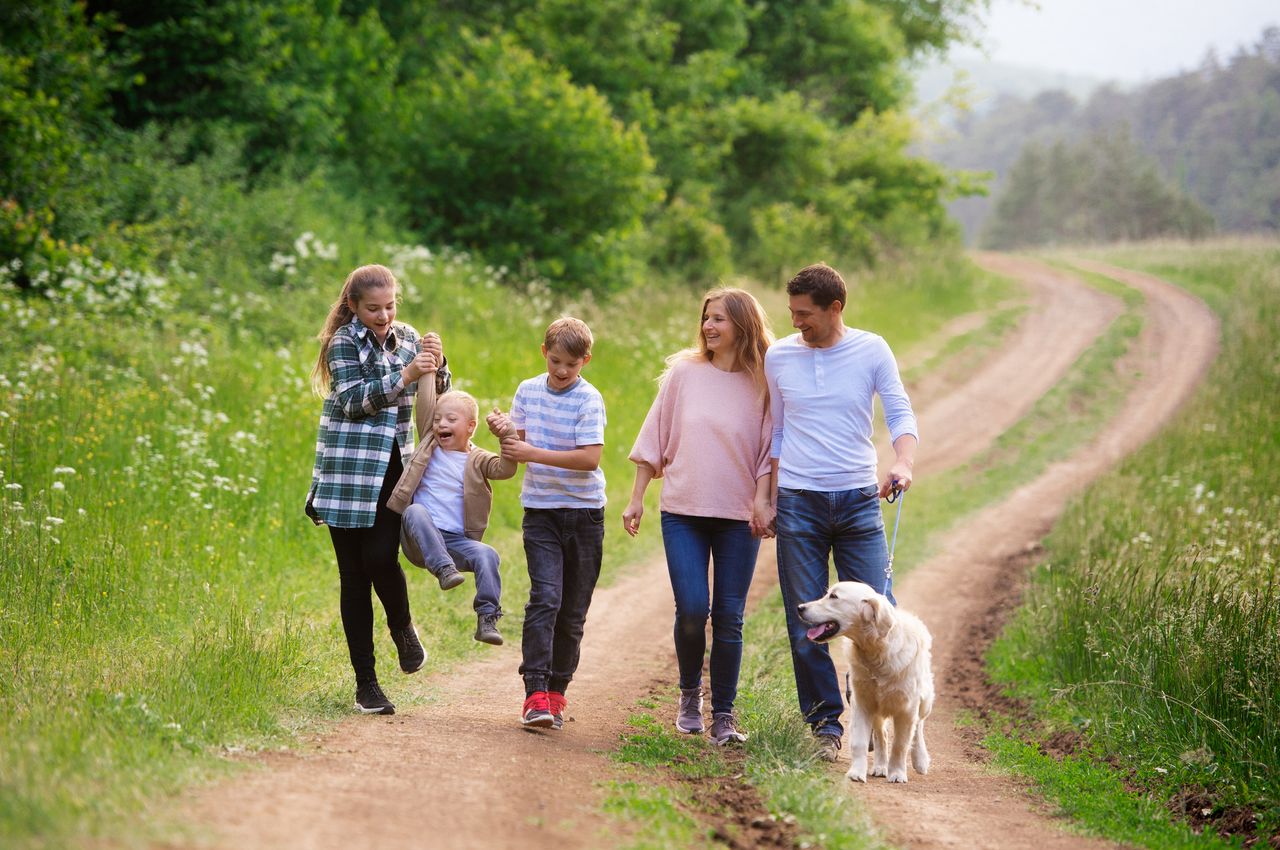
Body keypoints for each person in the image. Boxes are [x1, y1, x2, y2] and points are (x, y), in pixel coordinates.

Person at [765, 262, 919, 761]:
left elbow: (899, 410)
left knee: (879, 615)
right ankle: (826, 727)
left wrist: (902, 461)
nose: (795, 323)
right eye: (791, 313)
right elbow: (777, 432)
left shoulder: (871, 349)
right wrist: (764, 494)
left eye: (805, 314)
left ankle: (874, 718)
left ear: (836, 308)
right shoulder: (780, 357)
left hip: (857, 501)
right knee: (806, 620)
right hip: (797, 502)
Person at [623, 288, 775, 746]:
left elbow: (771, 450)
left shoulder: (764, 382)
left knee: (729, 617)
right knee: (692, 609)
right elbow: (655, 436)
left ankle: (724, 716)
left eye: (720, 320)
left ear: (743, 326)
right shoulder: (684, 374)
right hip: (683, 512)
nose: (709, 327)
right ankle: (691, 695)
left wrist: (763, 500)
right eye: (707, 318)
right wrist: (637, 497)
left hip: (738, 517)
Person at [306, 263, 449, 716]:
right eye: (373, 309)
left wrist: (439, 368)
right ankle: (366, 684)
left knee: (380, 558)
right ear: (353, 306)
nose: (384, 316)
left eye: (389, 306)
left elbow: (437, 395)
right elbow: (351, 401)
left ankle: (403, 627)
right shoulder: (342, 342)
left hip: (394, 470)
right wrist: (404, 376)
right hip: (347, 472)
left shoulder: (407, 336)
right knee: (353, 577)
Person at [490, 317, 606, 730]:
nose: (561, 371)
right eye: (556, 361)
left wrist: (529, 451)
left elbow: (589, 458)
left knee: (573, 611)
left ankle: (557, 692)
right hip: (540, 511)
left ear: (584, 361)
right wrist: (504, 431)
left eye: (570, 365)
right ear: (544, 352)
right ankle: (534, 693)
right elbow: (515, 450)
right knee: (545, 599)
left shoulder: (588, 399)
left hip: (584, 514)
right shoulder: (527, 390)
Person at [387, 375, 517, 646]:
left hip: (456, 542)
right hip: (421, 540)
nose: (441, 424)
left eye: (450, 420)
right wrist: (428, 368)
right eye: (437, 420)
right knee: (415, 511)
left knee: (487, 555)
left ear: (470, 427)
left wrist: (507, 434)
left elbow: (506, 469)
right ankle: (443, 569)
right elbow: (424, 403)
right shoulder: (429, 444)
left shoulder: (478, 459)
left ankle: (487, 618)